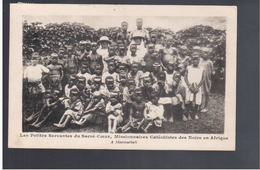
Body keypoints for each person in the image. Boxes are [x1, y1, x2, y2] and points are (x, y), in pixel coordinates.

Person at [184, 52, 205, 120]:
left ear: (199, 60)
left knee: (197, 101)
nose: (195, 61)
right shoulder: (188, 68)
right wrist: (189, 86)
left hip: (197, 87)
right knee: (189, 100)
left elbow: (203, 78)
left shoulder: (202, 69)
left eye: (197, 59)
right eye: (194, 59)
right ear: (191, 60)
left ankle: (196, 114)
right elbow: (185, 78)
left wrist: (198, 87)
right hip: (189, 87)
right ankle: (189, 114)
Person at [200, 47, 213, 113]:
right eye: (203, 53)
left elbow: (212, 71)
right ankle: (200, 106)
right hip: (200, 79)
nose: (205, 54)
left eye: (206, 53)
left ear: (208, 54)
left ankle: (206, 107)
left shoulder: (210, 62)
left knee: (206, 92)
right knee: (201, 92)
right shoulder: (200, 61)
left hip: (207, 79)